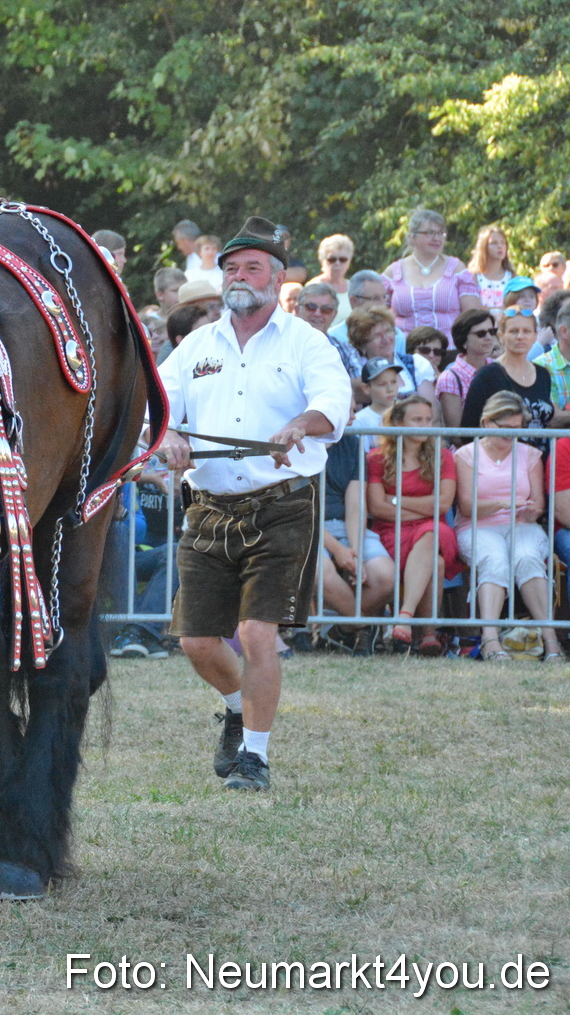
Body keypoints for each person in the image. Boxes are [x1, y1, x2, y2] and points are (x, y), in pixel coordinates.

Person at [156, 216, 351, 792]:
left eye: (253, 268)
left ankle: (255, 759)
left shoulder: (306, 341)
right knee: (196, 639)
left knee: (258, 634)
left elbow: (333, 404)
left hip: (283, 504)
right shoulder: (198, 343)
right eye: (233, 268)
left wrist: (301, 423)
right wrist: (168, 434)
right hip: (210, 505)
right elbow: (160, 402)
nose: (241, 277)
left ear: (275, 277)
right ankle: (238, 708)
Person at [453, 391, 561, 663]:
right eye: (505, 429)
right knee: (495, 558)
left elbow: (537, 503)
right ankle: (490, 641)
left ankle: (552, 641)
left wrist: (531, 511)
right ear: (487, 422)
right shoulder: (466, 454)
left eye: (518, 429)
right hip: (476, 525)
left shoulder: (531, 454)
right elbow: (466, 507)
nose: (512, 435)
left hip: (521, 525)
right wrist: (503, 503)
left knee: (527, 557)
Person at [366, 394, 458, 652]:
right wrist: (422, 507)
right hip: (391, 532)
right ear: (397, 423)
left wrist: (395, 499)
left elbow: (442, 505)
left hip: (435, 531)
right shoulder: (377, 458)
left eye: (429, 420)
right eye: (417, 419)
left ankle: (404, 618)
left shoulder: (442, 456)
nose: (424, 425)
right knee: (435, 560)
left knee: (431, 532)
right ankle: (427, 635)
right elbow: (377, 508)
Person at [315, 402, 395, 640]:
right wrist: (338, 550)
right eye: (348, 411)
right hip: (307, 528)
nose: (354, 417)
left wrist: (355, 554)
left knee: (384, 575)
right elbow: (303, 511)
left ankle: (340, 632)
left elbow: (355, 505)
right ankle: (365, 628)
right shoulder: (299, 447)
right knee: (321, 572)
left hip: (345, 526)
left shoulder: (352, 443)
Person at [382, 208, 482, 339]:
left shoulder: (457, 269)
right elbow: (378, 316)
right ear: (412, 236)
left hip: (449, 351)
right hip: (403, 352)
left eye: (441, 233)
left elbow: (472, 316)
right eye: (430, 233)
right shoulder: (393, 272)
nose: (437, 238)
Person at [460, 306, 556, 432]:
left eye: (526, 331)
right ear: (501, 336)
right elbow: (468, 430)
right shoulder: (487, 376)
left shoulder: (542, 374)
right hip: (501, 451)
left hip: (540, 451)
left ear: (535, 336)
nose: (520, 336)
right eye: (514, 331)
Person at [345, 304, 434, 399]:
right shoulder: (356, 371)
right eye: (377, 335)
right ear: (362, 344)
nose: (386, 340)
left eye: (388, 331)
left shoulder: (416, 364)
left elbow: (431, 407)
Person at [436, 309, 498, 427]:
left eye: (492, 331)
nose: (489, 337)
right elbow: (456, 433)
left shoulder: (499, 368)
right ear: (463, 340)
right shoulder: (450, 378)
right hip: (469, 444)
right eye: (481, 334)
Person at [532, 295, 570, 418]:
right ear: (564, 331)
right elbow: (552, 417)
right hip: (556, 437)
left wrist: (567, 415)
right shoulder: (541, 366)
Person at [467, 224, 513, 309]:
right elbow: (472, 306)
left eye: (503, 243)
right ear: (483, 247)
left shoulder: (512, 278)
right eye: (494, 243)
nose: (500, 246)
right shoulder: (472, 277)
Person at [314, 234, 356, 328]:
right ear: (322, 261)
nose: (337, 263)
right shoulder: (313, 287)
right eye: (332, 259)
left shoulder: (353, 288)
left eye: (343, 259)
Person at [354, 357, 401, 432]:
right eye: (382, 384)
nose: (390, 389)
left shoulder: (408, 413)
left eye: (393, 382)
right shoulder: (360, 420)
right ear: (366, 388)